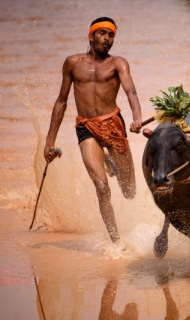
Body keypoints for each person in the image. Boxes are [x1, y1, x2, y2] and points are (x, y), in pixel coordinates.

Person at [44, 17, 142, 243]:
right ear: (91, 36)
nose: (107, 39)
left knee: (129, 191)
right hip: (86, 127)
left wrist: (136, 117)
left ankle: (110, 162)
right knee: (101, 186)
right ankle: (116, 242)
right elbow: (61, 101)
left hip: (113, 125)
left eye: (111, 35)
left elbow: (131, 93)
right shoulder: (72, 63)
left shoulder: (118, 64)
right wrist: (50, 141)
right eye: (103, 34)